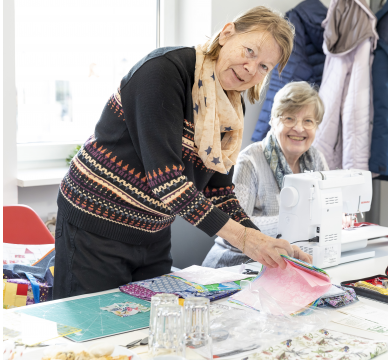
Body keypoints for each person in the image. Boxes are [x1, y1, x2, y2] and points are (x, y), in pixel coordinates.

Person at [53, 7, 312, 300]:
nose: (252, 69)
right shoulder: (162, 72)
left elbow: (219, 190)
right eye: (250, 51)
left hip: (153, 232)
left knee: (151, 329)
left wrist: (266, 244)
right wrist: (246, 240)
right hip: (96, 224)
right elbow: (168, 183)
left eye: (265, 66)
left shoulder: (231, 106)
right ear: (227, 33)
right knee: (89, 331)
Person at [203, 81, 329, 268]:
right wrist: (300, 221)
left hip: (284, 264)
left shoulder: (316, 159)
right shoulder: (250, 161)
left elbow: (326, 210)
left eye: (308, 121)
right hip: (234, 265)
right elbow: (236, 230)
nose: (299, 128)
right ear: (273, 120)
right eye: (289, 118)